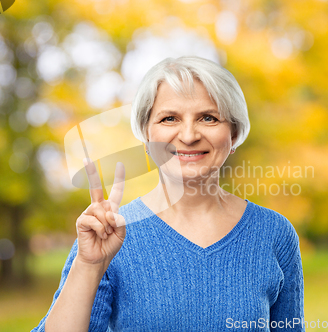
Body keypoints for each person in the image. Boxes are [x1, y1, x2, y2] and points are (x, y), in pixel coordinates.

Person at [32, 56, 304, 332]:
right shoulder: (107, 233)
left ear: (233, 134)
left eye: (208, 118)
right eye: (169, 118)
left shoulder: (274, 234)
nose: (188, 135)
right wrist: (89, 266)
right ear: (146, 136)